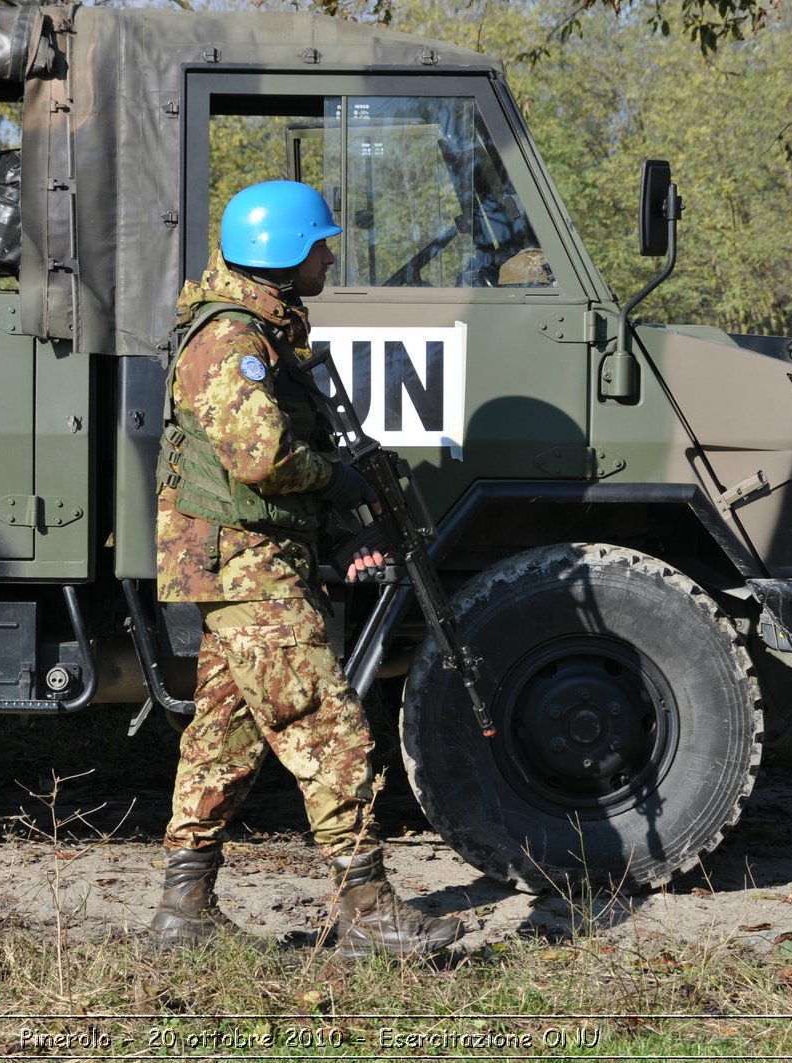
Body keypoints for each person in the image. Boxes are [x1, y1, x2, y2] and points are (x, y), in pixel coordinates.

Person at [150, 180, 463, 957]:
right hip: (244, 561)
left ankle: (182, 911)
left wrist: (327, 527)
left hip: (247, 559)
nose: (328, 256)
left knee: (223, 735)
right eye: (320, 245)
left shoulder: (264, 332)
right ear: (283, 255)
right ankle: (366, 908)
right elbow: (260, 457)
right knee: (327, 722)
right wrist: (337, 479)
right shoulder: (232, 341)